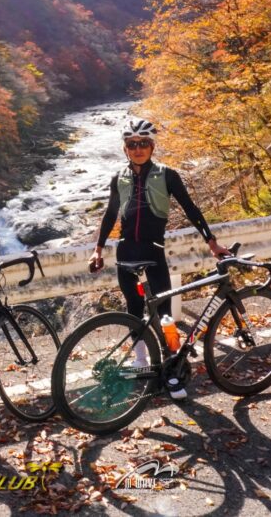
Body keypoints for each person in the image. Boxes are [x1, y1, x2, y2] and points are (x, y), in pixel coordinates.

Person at [88, 118, 228, 399]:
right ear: (125, 148)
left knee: (164, 313)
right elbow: (110, 214)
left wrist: (212, 243)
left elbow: (190, 209)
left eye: (143, 144)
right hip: (126, 252)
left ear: (152, 146)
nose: (138, 149)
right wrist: (98, 249)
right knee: (133, 310)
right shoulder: (119, 177)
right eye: (132, 144)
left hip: (154, 250)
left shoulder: (167, 175)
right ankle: (140, 362)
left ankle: (173, 372)